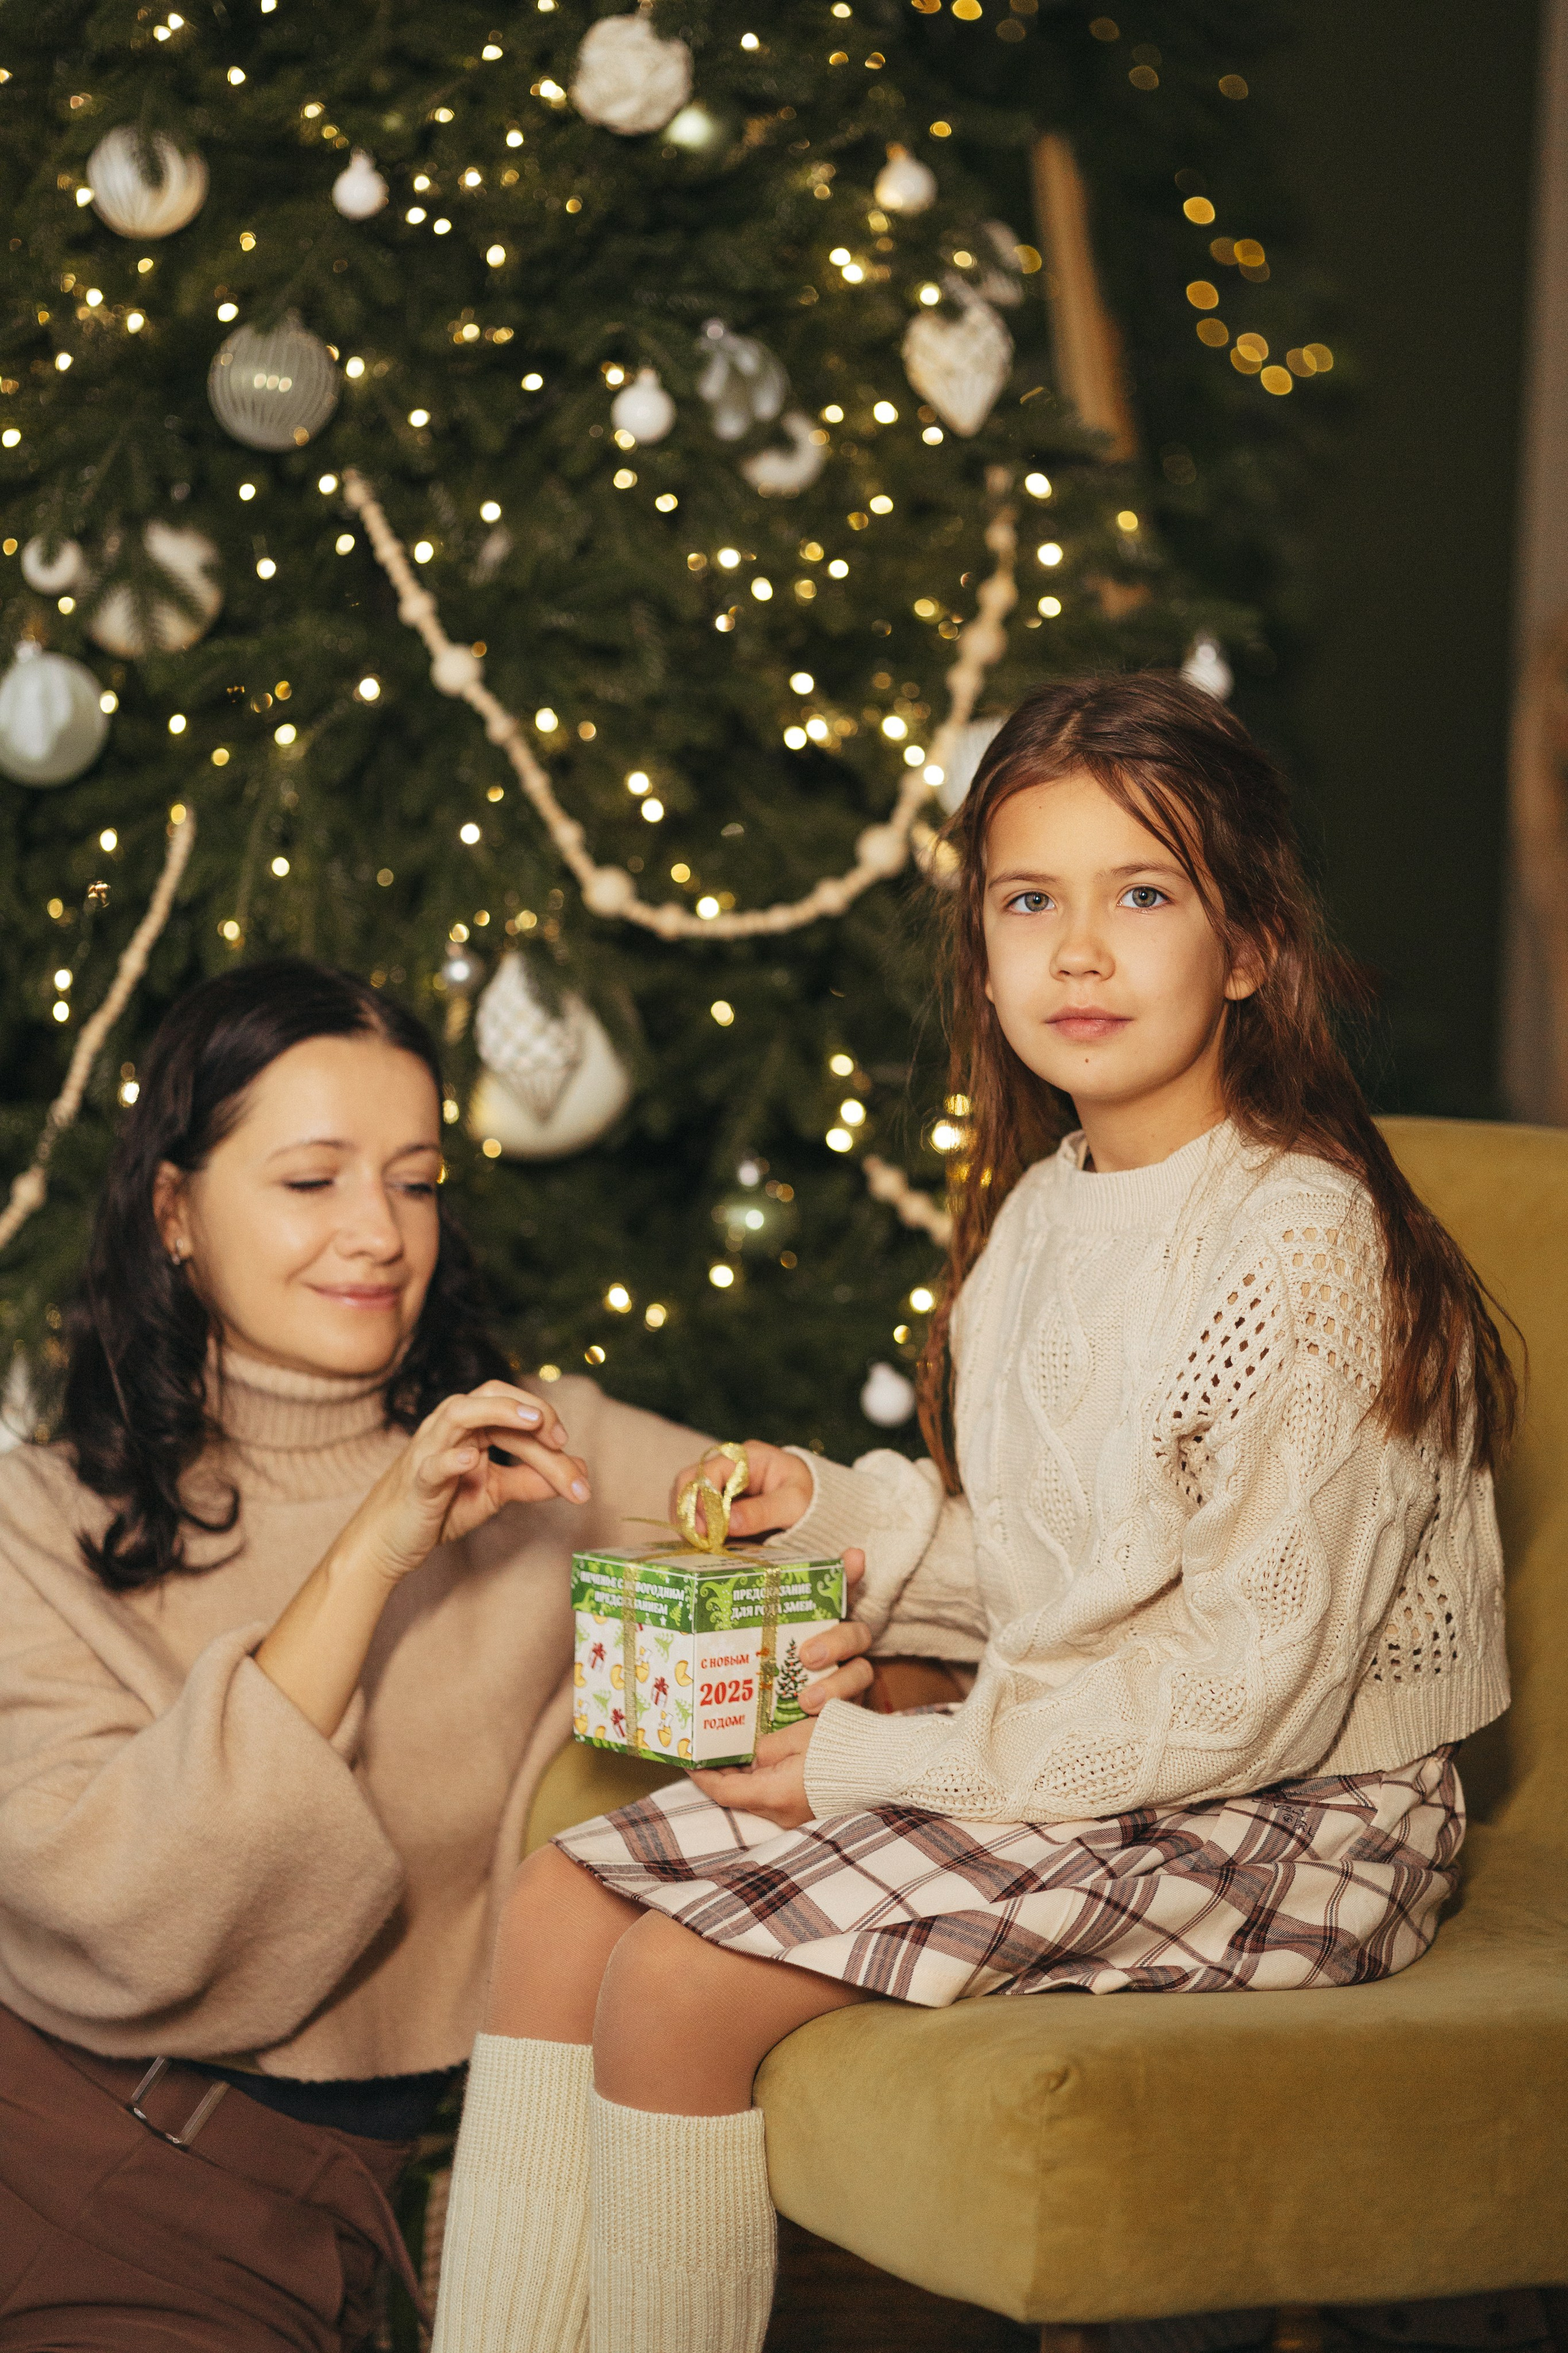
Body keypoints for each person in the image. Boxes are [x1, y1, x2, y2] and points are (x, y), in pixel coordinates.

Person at [431, 674, 1515, 2353]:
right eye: (1032, 902)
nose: (1079, 952)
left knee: (678, 1984)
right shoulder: (1038, 1220)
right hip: (1095, 1746)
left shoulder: (1302, 1243)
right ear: (984, 947)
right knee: (564, 1901)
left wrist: (882, 1758)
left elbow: (1247, 1687)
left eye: (1140, 895)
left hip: (1296, 1805)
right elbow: (1048, 1561)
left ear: (1247, 946)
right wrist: (833, 1520)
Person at [0, 957, 878, 2349]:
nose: (379, 1233)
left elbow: (867, 1554)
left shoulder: (540, 1452)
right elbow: (126, 1911)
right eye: (311, 1180)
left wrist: (830, 1665)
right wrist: (375, 1548)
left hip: (368, 2206)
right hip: (76, 2150)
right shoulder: (31, 1526)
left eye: (413, 1180)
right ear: (174, 1210)